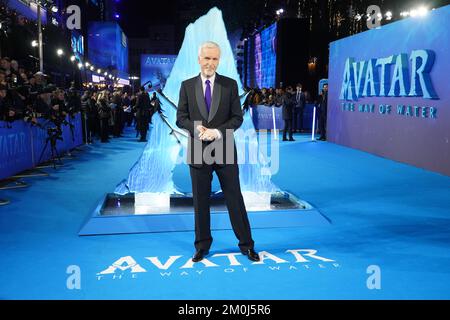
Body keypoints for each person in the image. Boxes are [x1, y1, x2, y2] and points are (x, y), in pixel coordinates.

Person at [176, 41, 260, 263]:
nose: (210, 63)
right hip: (198, 151)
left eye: (214, 59)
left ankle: (247, 245)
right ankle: (201, 246)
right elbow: (180, 117)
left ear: (218, 60)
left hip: (224, 149)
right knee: (200, 202)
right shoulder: (186, 85)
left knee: (235, 199)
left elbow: (237, 118)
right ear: (199, 59)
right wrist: (196, 128)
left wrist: (217, 132)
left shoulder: (230, 85)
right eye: (207, 58)